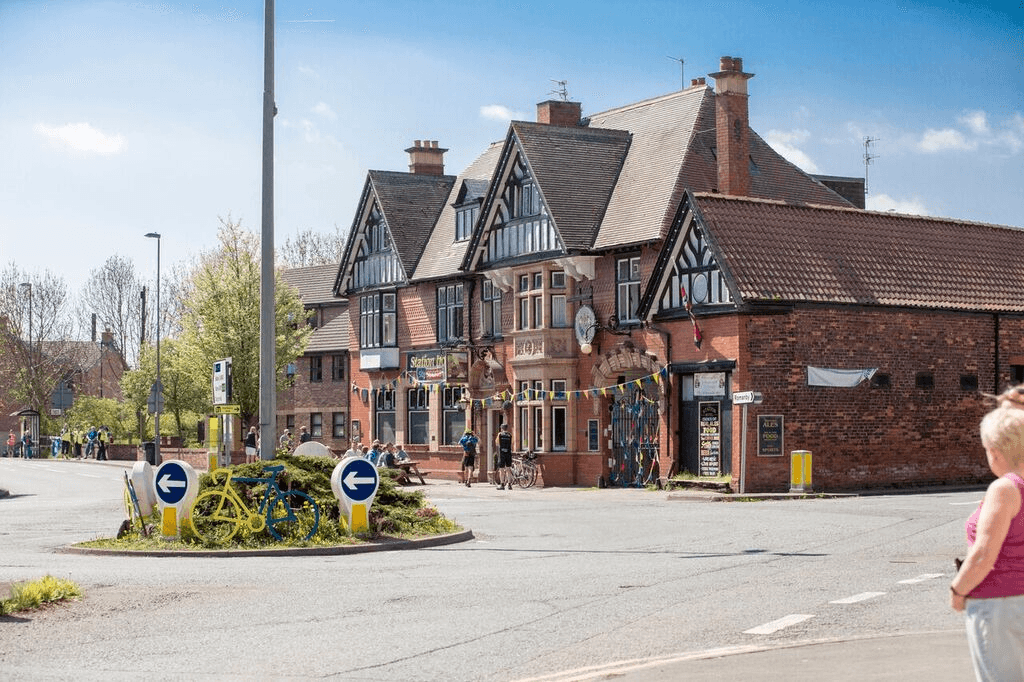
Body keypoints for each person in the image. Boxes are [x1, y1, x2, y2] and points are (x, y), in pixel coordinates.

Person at [950, 386, 1024, 681]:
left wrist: (958, 591)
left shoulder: (1005, 488)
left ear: (996, 450)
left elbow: (983, 554)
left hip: (999, 606)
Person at [495, 422, 514, 490]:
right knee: (508, 469)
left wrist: (498, 454)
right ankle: (509, 484)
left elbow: (497, 443)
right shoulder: (510, 435)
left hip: (502, 453)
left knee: (501, 470)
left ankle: (502, 484)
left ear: (502, 428)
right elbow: (512, 444)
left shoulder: (500, 434)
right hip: (508, 453)